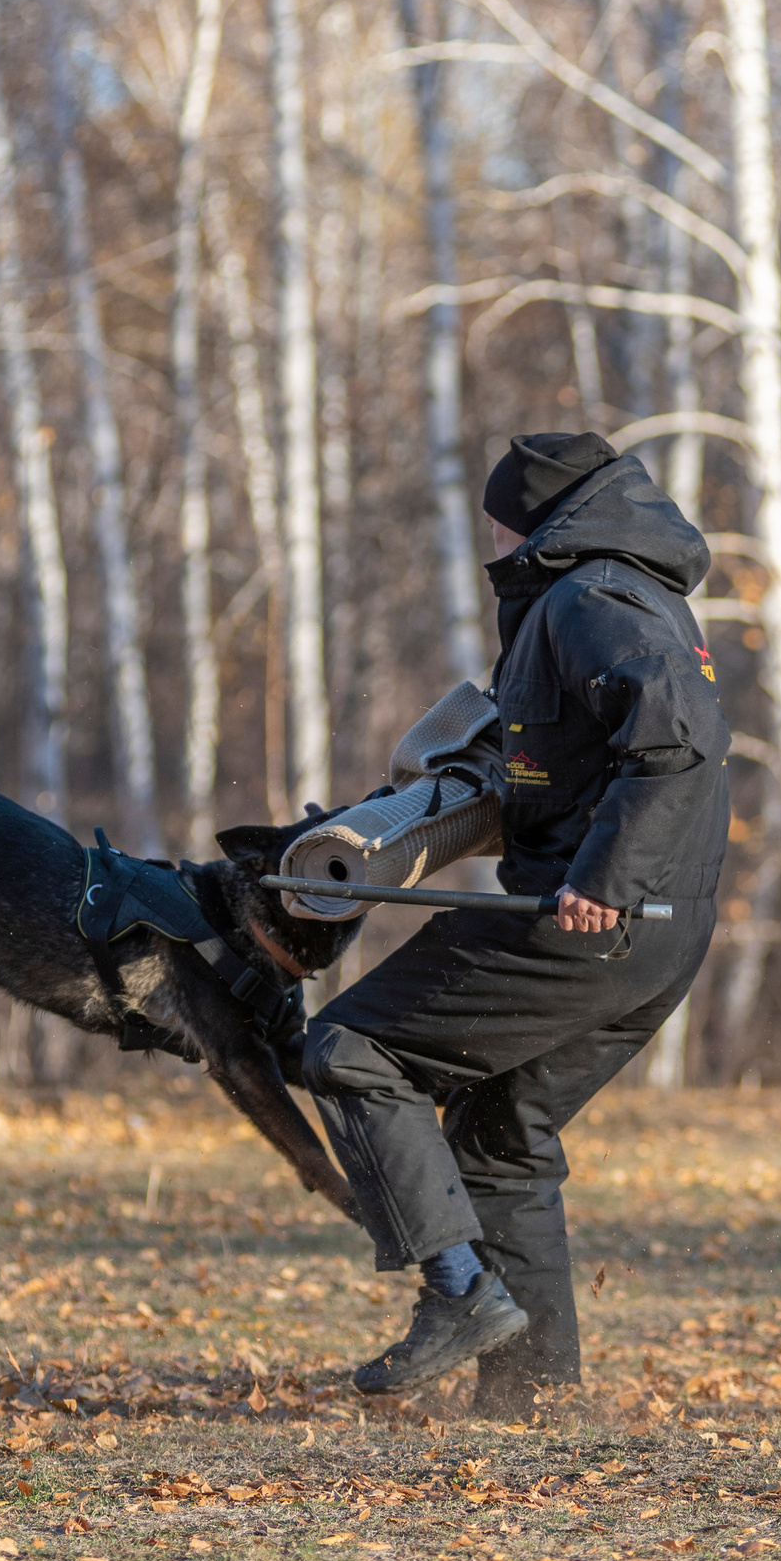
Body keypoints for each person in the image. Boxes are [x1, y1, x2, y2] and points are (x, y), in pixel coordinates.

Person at [302, 432, 730, 1417]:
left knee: (352, 1046)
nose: (488, 532)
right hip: (657, 932)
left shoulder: (589, 599)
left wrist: (603, 876)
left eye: (496, 515)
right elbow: (593, 749)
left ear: (532, 516)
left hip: (596, 919)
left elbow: (677, 739)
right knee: (500, 1130)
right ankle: (533, 1394)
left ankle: (457, 1294)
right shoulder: (626, 592)